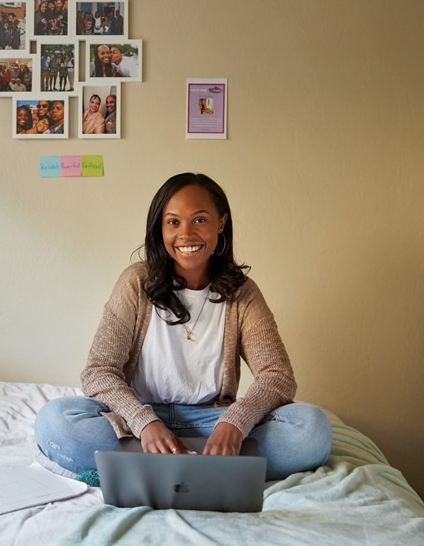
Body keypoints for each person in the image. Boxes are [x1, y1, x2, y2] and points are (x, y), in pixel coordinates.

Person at [34, 173, 333, 481]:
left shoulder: (243, 293)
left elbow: (278, 375)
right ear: (160, 228)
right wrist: (145, 423)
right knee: (55, 422)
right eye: (173, 222)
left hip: (213, 421)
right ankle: (210, 468)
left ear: (221, 223)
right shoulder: (136, 282)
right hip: (141, 422)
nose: (186, 234)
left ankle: (157, 467)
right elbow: (98, 371)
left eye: (200, 220)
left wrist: (235, 423)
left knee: (311, 429)